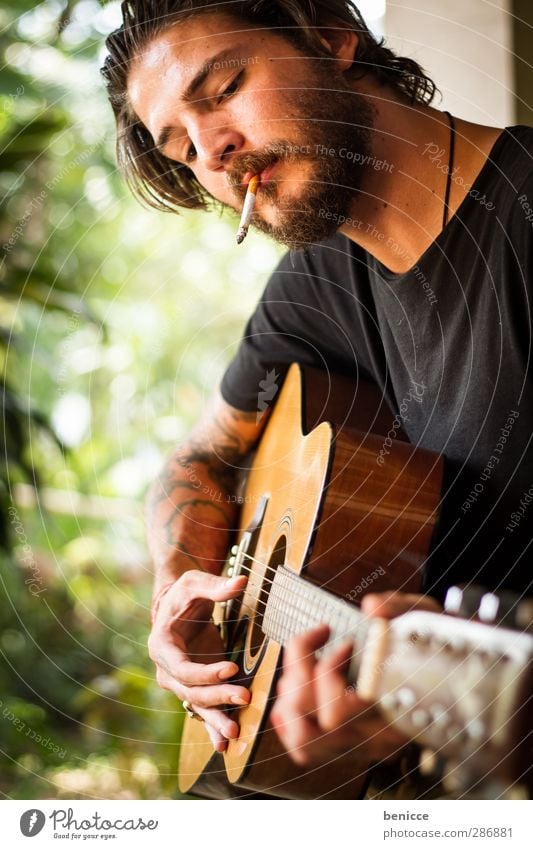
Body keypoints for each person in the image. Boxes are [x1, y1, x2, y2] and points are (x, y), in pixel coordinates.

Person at [101, 0, 533, 792]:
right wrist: (180, 586)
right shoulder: (316, 284)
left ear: (331, 39)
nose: (213, 150)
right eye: (180, 146)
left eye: (224, 87)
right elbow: (201, 453)